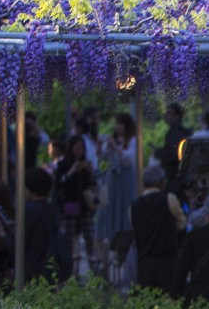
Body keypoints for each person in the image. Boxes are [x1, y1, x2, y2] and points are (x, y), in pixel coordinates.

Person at [95, 112, 139, 283]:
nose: (117, 127)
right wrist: (101, 150)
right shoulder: (113, 143)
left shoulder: (133, 142)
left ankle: (122, 259)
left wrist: (116, 148)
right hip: (113, 188)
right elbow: (103, 165)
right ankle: (108, 263)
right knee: (108, 221)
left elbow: (130, 161)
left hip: (126, 187)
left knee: (125, 221)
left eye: (119, 123)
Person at [131, 165, 184, 294]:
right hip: (167, 262)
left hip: (144, 264)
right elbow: (182, 224)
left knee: (146, 301)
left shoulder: (134, 205)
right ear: (161, 182)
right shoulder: (169, 199)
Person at [51, 134, 97, 277]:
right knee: (70, 237)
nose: (79, 151)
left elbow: (92, 184)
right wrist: (72, 171)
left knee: (89, 234)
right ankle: (70, 270)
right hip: (70, 203)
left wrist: (89, 172)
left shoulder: (85, 164)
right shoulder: (63, 165)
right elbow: (59, 184)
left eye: (81, 148)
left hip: (84, 204)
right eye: (76, 148)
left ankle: (93, 266)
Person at [19, 167, 64, 284]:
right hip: (52, 268)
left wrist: (3, 235)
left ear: (29, 189)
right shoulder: (53, 209)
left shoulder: (28, 211)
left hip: (32, 269)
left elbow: (18, 244)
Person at [158, 102, 189, 189]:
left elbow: (174, 154)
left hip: (175, 176)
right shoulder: (174, 132)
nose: (166, 116)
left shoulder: (176, 133)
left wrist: (160, 153)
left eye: (169, 113)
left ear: (177, 116)